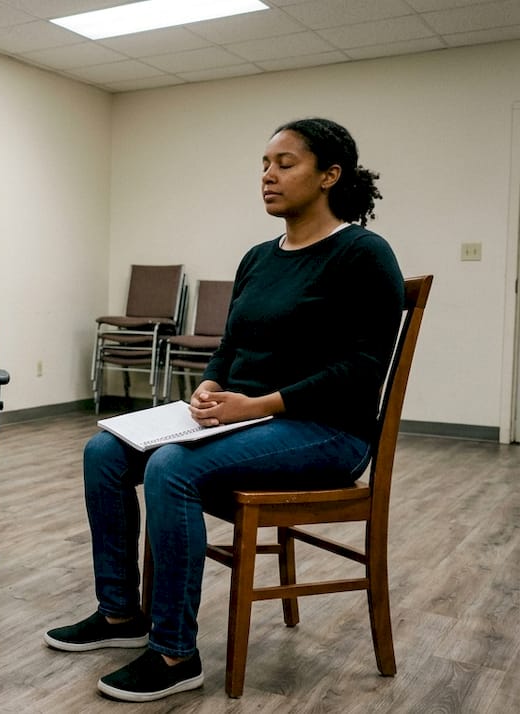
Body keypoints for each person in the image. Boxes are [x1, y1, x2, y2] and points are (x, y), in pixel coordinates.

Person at [42, 118, 403, 703]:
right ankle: (119, 615)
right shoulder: (259, 257)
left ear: (330, 176)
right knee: (104, 450)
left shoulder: (362, 254)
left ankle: (175, 652)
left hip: (326, 431)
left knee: (172, 469)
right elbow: (230, 347)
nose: (268, 175)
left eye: (285, 163)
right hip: (248, 419)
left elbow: (362, 368)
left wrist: (258, 403)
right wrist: (208, 387)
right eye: (264, 163)